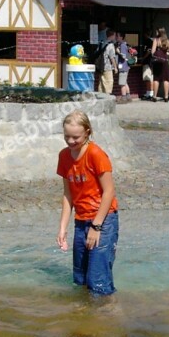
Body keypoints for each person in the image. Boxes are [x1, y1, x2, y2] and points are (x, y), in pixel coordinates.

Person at [56, 110, 119, 297]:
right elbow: (68, 195)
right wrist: (62, 228)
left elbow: (109, 192)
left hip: (103, 219)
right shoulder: (64, 156)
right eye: (67, 136)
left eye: (76, 137)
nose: (70, 141)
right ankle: (83, 317)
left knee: (98, 280)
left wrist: (96, 226)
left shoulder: (95, 154)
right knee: (80, 278)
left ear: (87, 132)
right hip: (80, 220)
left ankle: (106, 317)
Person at [151, 28, 169, 102]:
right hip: (165, 61)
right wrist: (166, 53)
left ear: (158, 32)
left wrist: (156, 53)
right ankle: (166, 96)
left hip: (157, 62)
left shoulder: (156, 40)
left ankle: (155, 96)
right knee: (166, 79)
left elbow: (152, 52)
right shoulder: (167, 41)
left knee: (156, 79)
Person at [97, 28, 118, 95]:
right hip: (107, 66)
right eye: (115, 35)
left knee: (102, 82)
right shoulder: (110, 45)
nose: (115, 37)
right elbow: (112, 57)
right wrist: (115, 67)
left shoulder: (102, 42)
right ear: (112, 36)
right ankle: (107, 96)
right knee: (109, 81)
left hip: (101, 66)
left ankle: (100, 96)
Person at [116, 32, 132, 103]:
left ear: (121, 37)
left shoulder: (122, 45)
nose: (116, 37)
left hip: (123, 66)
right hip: (126, 66)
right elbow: (128, 56)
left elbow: (123, 56)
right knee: (125, 82)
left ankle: (123, 98)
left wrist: (118, 52)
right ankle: (128, 96)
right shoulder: (126, 44)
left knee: (122, 83)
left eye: (118, 36)